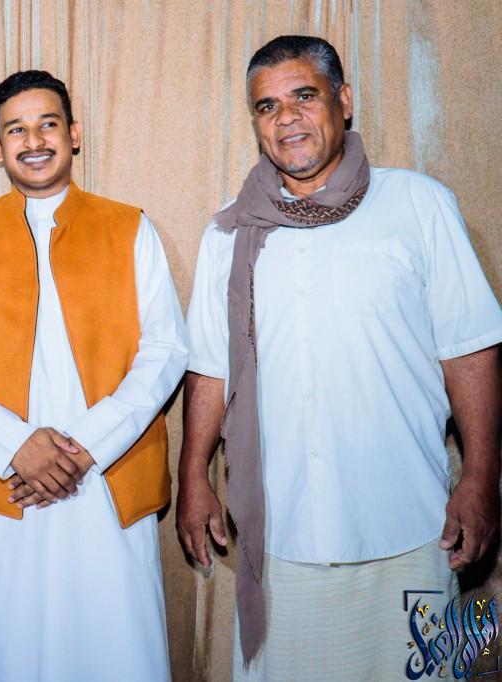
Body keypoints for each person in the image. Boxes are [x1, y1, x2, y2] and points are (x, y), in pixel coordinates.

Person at [178, 35, 502, 680]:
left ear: (344, 101)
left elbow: (470, 350)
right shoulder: (228, 233)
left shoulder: (418, 203)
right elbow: (210, 367)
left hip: (413, 526)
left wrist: (482, 478)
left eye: (304, 96)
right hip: (282, 535)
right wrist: (192, 476)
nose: (287, 118)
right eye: (267, 106)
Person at [0, 70, 189, 682]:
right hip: (9, 484)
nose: (34, 140)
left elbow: (166, 348)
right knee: (14, 649)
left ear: (75, 134)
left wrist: (85, 446)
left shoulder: (130, 227)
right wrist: (16, 445)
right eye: (16, 129)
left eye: (48, 124)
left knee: (118, 647)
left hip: (108, 478)